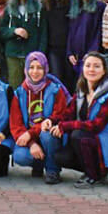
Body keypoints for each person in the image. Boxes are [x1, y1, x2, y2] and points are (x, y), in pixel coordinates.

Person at [49, 52, 108, 188]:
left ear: (104, 70)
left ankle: (94, 175)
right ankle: (94, 170)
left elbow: (96, 126)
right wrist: (51, 121)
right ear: (83, 69)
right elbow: (67, 114)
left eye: (97, 66)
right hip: (91, 139)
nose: (91, 69)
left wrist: (65, 126)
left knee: (77, 135)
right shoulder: (81, 91)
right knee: (61, 156)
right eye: (88, 65)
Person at [10, 52, 70, 182]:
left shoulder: (55, 90)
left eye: (39, 67)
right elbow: (16, 124)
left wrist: (31, 133)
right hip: (31, 138)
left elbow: (60, 115)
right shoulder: (19, 93)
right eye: (31, 67)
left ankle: (52, 170)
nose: (35, 71)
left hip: (49, 137)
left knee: (46, 135)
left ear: (46, 69)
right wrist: (31, 143)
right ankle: (38, 163)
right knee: (20, 156)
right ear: (26, 69)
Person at [1, 0, 42, 88]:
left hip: (32, 54)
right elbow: (1, 30)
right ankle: (16, 105)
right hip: (13, 54)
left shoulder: (37, 8)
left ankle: (32, 106)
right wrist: (14, 31)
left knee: (33, 86)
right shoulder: (9, 9)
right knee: (15, 86)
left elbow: (43, 33)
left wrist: (41, 53)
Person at [65, 0, 104, 83]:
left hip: (90, 55)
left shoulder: (99, 7)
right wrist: (69, 53)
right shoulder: (75, 8)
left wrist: (91, 53)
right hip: (75, 56)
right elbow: (70, 32)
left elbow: (98, 32)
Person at [42, 0, 74, 92]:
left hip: (69, 47)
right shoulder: (45, 2)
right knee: (57, 79)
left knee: (70, 79)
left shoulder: (71, 0)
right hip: (53, 48)